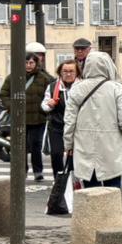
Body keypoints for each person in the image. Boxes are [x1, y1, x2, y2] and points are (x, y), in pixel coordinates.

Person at [64, 52, 122, 188]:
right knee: (112, 188)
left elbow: (69, 121)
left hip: (84, 145)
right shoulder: (115, 88)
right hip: (110, 145)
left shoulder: (77, 89)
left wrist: (68, 145)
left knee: (90, 191)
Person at [0, 45, 55, 183]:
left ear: (36, 63)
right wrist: (12, 107)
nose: (29, 65)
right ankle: (21, 170)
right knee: (20, 146)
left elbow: (53, 91)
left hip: (38, 118)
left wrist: (47, 108)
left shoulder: (44, 78)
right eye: (26, 62)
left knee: (36, 145)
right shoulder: (13, 77)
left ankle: (38, 171)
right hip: (20, 118)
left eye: (31, 63)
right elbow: (4, 94)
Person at [40, 59, 80, 215]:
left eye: (71, 71)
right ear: (60, 72)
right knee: (56, 155)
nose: (68, 74)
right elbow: (43, 105)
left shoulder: (81, 86)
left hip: (76, 128)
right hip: (57, 127)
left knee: (74, 159)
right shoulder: (53, 87)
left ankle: (74, 183)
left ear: (77, 73)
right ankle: (60, 183)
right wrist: (48, 104)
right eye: (65, 71)